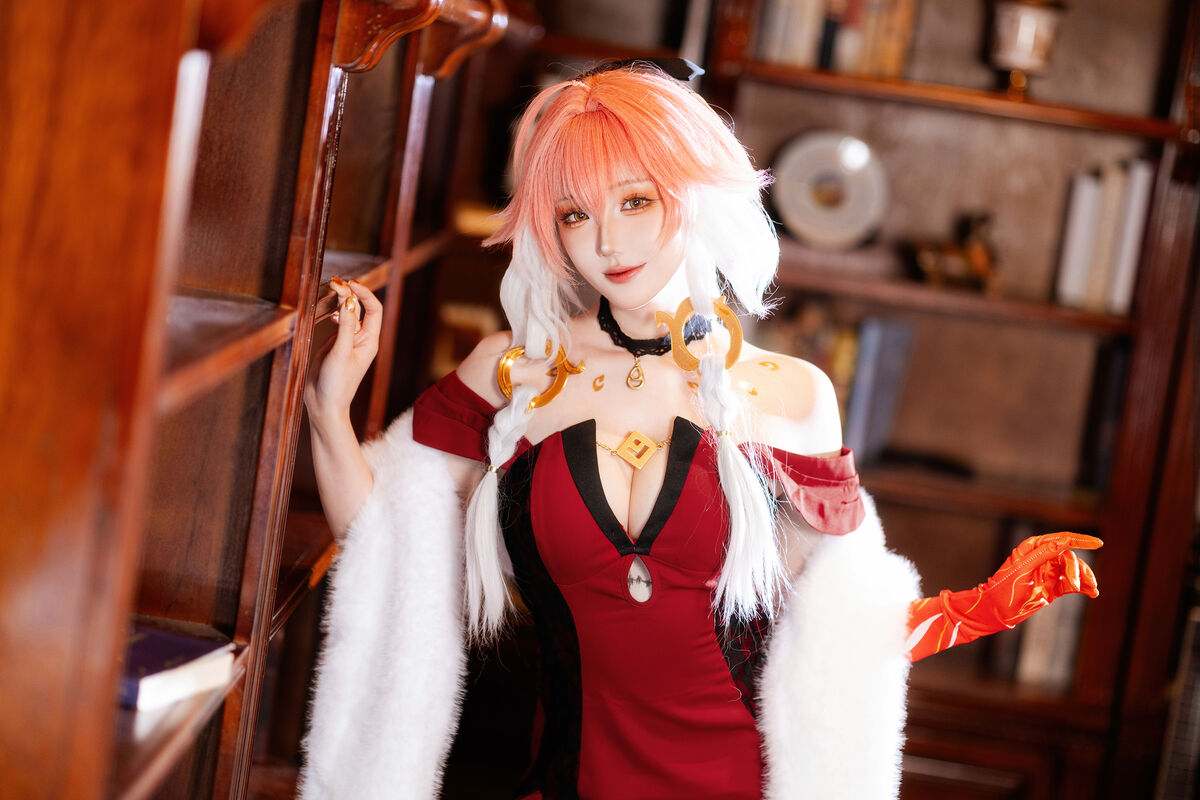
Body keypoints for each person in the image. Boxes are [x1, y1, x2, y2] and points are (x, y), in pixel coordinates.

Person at [297, 62, 1100, 800]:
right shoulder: (510, 372)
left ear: (692, 191)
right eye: (576, 214)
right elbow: (382, 555)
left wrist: (980, 608)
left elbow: (834, 627)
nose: (608, 241)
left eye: (635, 201)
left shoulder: (793, 393)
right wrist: (327, 412)